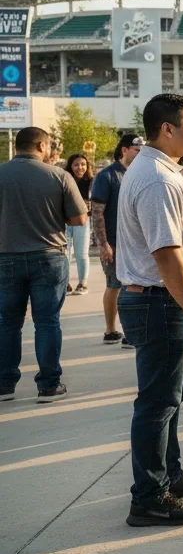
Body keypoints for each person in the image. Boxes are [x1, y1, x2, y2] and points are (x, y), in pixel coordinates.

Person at [116, 94, 183, 526]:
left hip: (162, 298)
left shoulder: (161, 170)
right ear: (167, 129)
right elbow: (167, 256)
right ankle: (150, 496)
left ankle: (168, 475)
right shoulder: (157, 178)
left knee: (169, 401)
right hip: (161, 300)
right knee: (157, 404)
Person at [0, 126, 88, 402]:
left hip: (6, 257)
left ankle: (4, 384)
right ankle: (49, 385)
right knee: (47, 322)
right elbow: (79, 220)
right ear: (40, 146)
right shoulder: (59, 176)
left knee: (7, 323)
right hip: (49, 256)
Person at [91, 134, 142, 346]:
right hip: (114, 243)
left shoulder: (138, 174)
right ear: (124, 150)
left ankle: (130, 332)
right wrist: (103, 244)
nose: (140, 154)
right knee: (115, 286)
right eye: (136, 150)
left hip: (135, 243)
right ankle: (111, 331)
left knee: (133, 287)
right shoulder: (107, 176)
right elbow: (97, 212)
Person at [65, 153, 94, 295]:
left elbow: (97, 202)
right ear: (70, 167)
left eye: (83, 164)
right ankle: (65, 283)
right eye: (76, 164)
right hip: (65, 220)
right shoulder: (65, 180)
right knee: (65, 253)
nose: (80, 167)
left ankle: (83, 283)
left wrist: (91, 205)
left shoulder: (91, 182)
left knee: (81, 253)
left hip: (83, 221)